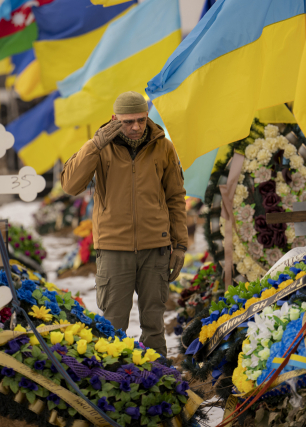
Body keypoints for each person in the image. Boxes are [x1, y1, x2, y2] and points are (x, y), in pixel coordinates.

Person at [61, 91, 187, 357]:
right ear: (114, 119)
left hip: (156, 246)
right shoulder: (100, 147)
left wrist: (180, 245)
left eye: (141, 120)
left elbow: (175, 197)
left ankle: (159, 381)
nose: (136, 127)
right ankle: (114, 379)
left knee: (154, 323)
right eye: (128, 121)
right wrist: (95, 144)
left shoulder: (163, 146)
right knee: (113, 324)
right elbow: (71, 185)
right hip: (113, 248)